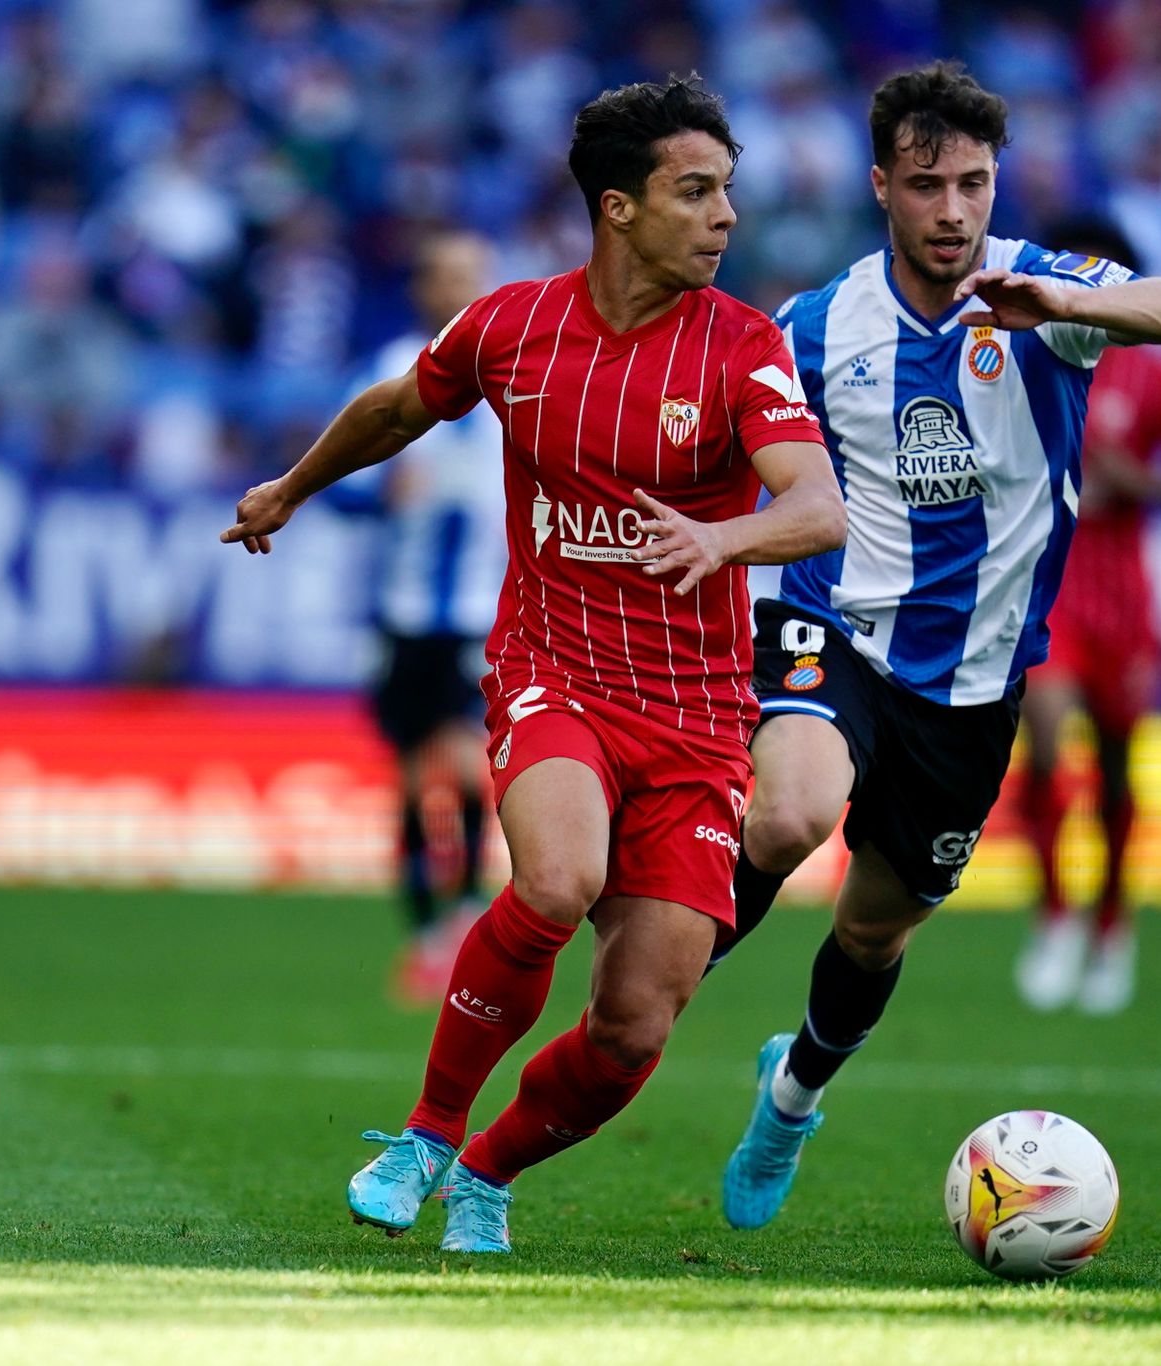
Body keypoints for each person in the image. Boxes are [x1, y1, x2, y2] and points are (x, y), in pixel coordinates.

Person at [219, 75, 843, 1256]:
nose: (725, 217)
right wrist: (291, 489)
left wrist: (721, 536)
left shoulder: (742, 348)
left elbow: (816, 505)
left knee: (636, 1021)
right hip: (554, 669)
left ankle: (491, 1172)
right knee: (555, 879)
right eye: (695, 192)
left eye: (727, 192)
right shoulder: (512, 326)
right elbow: (401, 406)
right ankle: (426, 1135)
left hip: (701, 714)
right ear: (618, 208)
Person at [706, 62, 1161, 1232]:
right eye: (928, 184)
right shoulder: (815, 324)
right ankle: (661, 969)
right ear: (881, 186)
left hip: (977, 676)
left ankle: (788, 1098)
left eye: (974, 184)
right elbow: (734, 444)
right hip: (831, 622)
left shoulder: (1045, 286)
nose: (953, 211)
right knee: (786, 816)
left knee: (873, 925)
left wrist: (1075, 311)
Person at [1013, 217, 1161, 1018]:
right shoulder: (1019, 353)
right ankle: (1053, 913)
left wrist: (1136, 481)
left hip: (1126, 597)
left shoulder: (1153, 374)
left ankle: (1112, 924)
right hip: (1050, 586)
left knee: (1113, 774)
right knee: (1045, 739)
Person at [327, 230, 509, 1007]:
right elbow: (336, 483)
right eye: (447, 277)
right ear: (424, 288)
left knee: (468, 767)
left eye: (473, 277)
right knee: (408, 778)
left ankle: (463, 926)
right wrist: (375, 494)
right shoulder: (387, 371)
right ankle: (423, 934)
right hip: (400, 612)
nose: (460, 291)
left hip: (480, 610)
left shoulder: (514, 368)